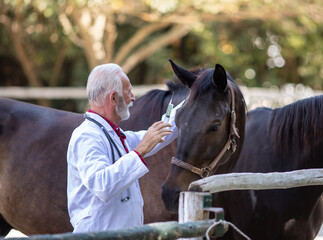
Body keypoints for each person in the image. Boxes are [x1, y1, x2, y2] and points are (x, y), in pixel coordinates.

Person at [67, 63, 182, 233]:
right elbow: (102, 185)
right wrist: (140, 150)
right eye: (128, 92)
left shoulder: (112, 133)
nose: (133, 98)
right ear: (113, 98)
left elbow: (157, 135)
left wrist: (191, 103)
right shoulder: (86, 136)